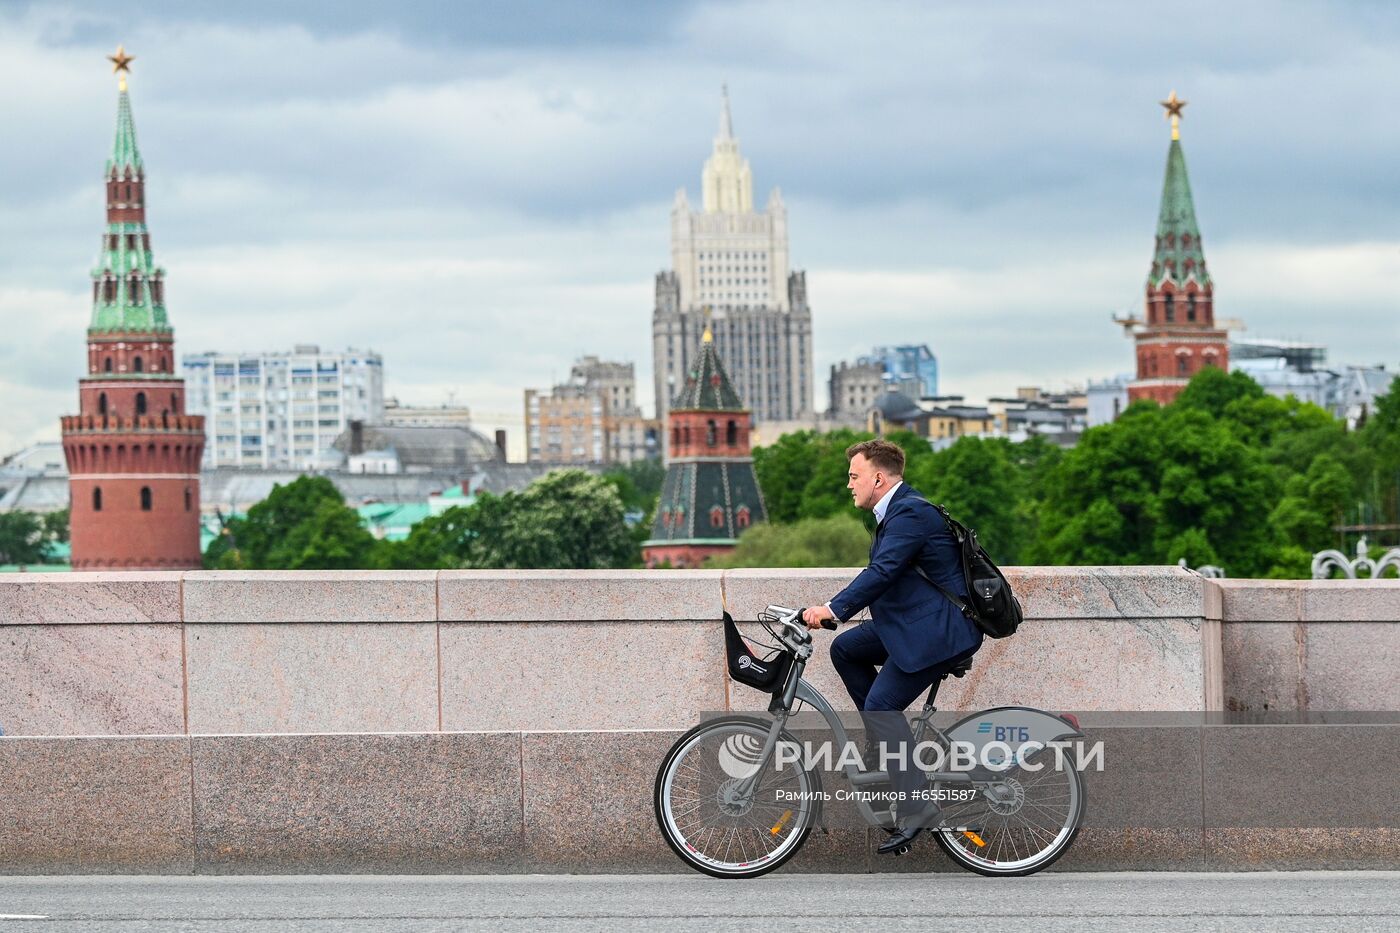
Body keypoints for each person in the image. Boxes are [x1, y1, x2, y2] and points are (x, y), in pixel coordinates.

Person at [801, 439, 982, 854]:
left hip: (940, 633)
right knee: (845, 650)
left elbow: (881, 573)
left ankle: (917, 807)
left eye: (854, 476)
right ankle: (886, 750)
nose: (849, 484)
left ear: (877, 478)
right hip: (915, 625)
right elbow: (886, 576)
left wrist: (832, 609)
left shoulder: (911, 513)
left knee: (882, 707)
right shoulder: (895, 513)